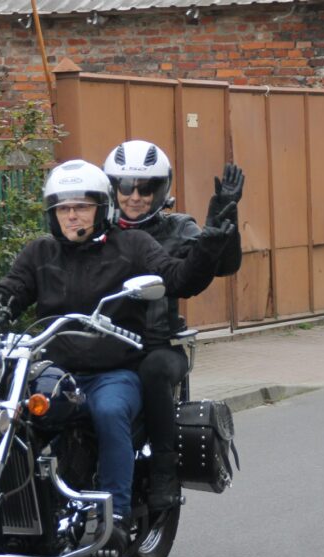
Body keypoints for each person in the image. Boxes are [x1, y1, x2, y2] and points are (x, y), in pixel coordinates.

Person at [0, 159, 237, 557]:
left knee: (110, 412)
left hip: (113, 371)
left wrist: (212, 237)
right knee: (3, 412)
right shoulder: (40, 253)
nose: (72, 215)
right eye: (63, 208)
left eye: (81, 206)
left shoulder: (132, 246)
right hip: (55, 371)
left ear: (102, 208)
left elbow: (179, 278)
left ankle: (116, 518)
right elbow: (4, 295)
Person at [103, 140, 244, 511]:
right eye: (126, 186)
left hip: (159, 345)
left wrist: (224, 219)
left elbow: (223, 265)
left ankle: (164, 470)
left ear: (160, 189)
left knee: (152, 370)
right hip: (105, 346)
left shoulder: (178, 228)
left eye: (145, 188)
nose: (135, 196)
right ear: (112, 188)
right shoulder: (98, 231)